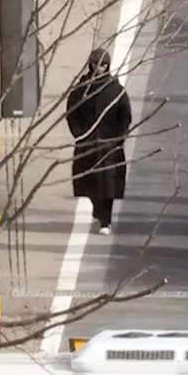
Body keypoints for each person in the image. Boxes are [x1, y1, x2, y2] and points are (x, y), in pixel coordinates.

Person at [67, 47, 133, 235]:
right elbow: (72, 113)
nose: (99, 68)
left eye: (103, 65)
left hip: (109, 144)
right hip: (87, 143)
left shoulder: (115, 89)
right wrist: (79, 133)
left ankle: (106, 220)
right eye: (96, 65)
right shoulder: (81, 89)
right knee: (90, 182)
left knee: (109, 183)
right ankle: (98, 209)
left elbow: (125, 115)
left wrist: (119, 137)